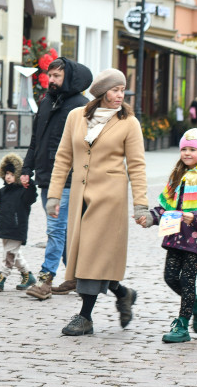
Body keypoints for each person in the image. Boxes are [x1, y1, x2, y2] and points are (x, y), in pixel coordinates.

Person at [47, 68, 150, 336]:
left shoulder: (128, 122)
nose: (120, 95)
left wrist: (140, 205)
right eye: (115, 90)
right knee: (84, 255)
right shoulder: (76, 117)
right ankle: (123, 293)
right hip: (80, 195)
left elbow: (137, 166)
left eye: (122, 89)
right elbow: (63, 158)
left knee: (92, 252)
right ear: (102, 92)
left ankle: (85, 317)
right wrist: (53, 195)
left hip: (110, 198)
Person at [138, 129, 197, 343]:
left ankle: (182, 325)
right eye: (184, 149)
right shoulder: (178, 177)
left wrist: (194, 217)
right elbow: (167, 207)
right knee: (170, 277)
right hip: (174, 236)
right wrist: (151, 217)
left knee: (187, 280)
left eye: (192, 149)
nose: (187, 153)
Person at [21, 57, 94, 300]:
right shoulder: (46, 103)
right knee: (61, 231)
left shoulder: (82, 107)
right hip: (45, 178)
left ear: (68, 78)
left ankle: (45, 280)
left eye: (56, 76)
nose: (51, 80)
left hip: (68, 180)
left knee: (55, 230)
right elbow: (36, 140)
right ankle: (77, 279)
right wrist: (26, 169)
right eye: (49, 75)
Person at [0, 154, 39, 291]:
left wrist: (29, 181)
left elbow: (32, 195)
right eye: (7, 173)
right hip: (4, 226)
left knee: (9, 253)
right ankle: (27, 275)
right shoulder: (3, 191)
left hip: (17, 227)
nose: (8, 176)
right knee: (15, 253)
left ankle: (2, 277)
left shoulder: (23, 192)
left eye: (12, 174)